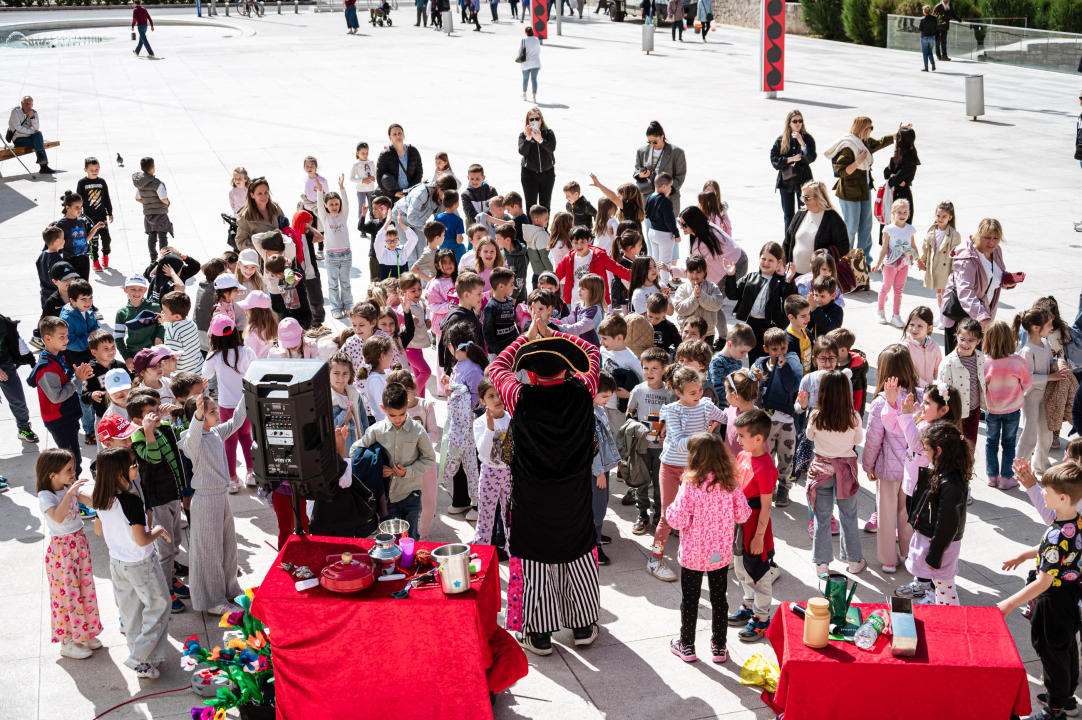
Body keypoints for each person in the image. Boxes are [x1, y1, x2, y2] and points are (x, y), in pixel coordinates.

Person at [489, 326, 602, 656]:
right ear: (567, 368)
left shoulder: (518, 396)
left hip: (532, 497)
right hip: (575, 493)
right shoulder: (585, 389)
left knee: (536, 557)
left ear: (532, 375)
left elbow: (497, 366)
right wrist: (557, 334)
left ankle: (539, 634)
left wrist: (525, 338)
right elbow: (592, 354)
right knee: (577, 550)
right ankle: (582, 626)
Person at [999, 462, 1082, 720]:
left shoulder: (1057, 534)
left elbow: (1044, 582)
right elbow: (1056, 552)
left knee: (1052, 654)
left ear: (1063, 497)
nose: (1042, 493)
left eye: (1046, 490)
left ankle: (1054, 711)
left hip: (1052, 603)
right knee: (1067, 648)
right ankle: (1067, 698)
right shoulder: (1075, 522)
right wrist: (1025, 554)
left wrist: (1009, 604)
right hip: (1071, 597)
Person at [666, 433, 751, 663]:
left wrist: (668, 511)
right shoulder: (730, 483)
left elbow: (677, 519)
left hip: (693, 554)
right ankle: (719, 647)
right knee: (719, 600)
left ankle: (687, 645)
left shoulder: (690, 484)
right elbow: (743, 514)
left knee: (690, 600)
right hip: (719, 555)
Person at [91, 447, 171, 678]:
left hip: (117, 563)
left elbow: (98, 530)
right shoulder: (132, 502)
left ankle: (143, 664)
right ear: (119, 473)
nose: (137, 467)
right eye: (133, 464)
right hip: (141, 563)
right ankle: (139, 657)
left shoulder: (101, 498)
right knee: (160, 606)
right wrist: (157, 529)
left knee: (131, 612)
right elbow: (142, 539)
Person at [177, 393, 245, 615]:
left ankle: (229, 589)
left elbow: (236, 421)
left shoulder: (215, 432)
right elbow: (193, 438)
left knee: (227, 546)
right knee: (210, 552)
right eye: (212, 411)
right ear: (199, 416)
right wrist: (197, 416)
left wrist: (245, 392)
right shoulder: (190, 440)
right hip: (205, 499)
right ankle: (213, 601)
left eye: (215, 410)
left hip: (221, 496)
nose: (217, 414)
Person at [36, 448, 103, 659]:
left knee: (84, 589)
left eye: (73, 468)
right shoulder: (45, 495)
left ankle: (85, 634)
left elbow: (93, 501)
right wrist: (70, 492)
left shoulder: (67, 488)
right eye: (69, 469)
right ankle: (67, 640)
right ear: (51, 474)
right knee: (66, 595)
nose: (73, 473)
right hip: (62, 551)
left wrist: (106, 489)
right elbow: (57, 516)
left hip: (79, 544)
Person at [863, 346, 922, 572]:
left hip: (887, 470)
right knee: (907, 514)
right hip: (912, 469)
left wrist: (868, 465)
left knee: (885, 515)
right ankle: (908, 554)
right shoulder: (916, 397)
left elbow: (873, 439)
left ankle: (888, 560)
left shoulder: (880, 403)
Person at [355, 382, 435, 542]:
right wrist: (376, 469)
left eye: (402, 414)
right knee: (389, 540)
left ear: (407, 406)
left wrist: (408, 471)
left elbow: (429, 458)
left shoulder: (418, 431)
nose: (398, 419)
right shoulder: (376, 431)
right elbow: (356, 452)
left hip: (411, 493)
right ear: (383, 409)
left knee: (411, 538)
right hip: (387, 498)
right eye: (392, 416)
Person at [805, 370, 865, 576]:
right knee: (849, 515)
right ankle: (855, 560)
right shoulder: (853, 417)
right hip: (846, 470)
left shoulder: (816, 415)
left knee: (822, 518)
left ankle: (822, 564)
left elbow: (809, 435)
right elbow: (858, 441)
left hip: (821, 469)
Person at [824, 117, 906, 260]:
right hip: (849, 193)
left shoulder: (864, 142)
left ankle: (863, 258)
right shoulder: (849, 146)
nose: (872, 130)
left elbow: (880, 143)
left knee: (866, 226)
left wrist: (897, 134)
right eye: (870, 128)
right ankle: (846, 258)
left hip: (864, 189)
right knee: (851, 227)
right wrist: (858, 161)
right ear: (863, 129)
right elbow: (842, 171)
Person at [942, 217, 1015, 354]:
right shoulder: (967, 259)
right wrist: (982, 316)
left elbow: (996, 274)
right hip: (962, 321)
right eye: (987, 237)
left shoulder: (996, 251)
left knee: (978, 362)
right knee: (958, 366)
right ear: (978, 235)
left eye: (996, 238)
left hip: (981, 319)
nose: (992, 242)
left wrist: (1007, 280)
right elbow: (965, 293)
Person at [781, 180, 848, 278]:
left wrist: (826, 251)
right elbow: (787, 241)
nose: (803, 200)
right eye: (802, 197)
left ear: (818, 198)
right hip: (794, 275)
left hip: (817, 279)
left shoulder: (832, 218)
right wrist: (782, 263)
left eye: (807, 198)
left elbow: (844, 246)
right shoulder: (800, 214)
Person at [872, 199, 919, 328]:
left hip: (905, 263)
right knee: (886, 287)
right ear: (893, 213)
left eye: (905, 212)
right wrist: (877, 263)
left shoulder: (910, 229)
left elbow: (913, 246)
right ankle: (880, 311)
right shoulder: (888, 229)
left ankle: (896, 315)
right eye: (899, 212)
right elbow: (884, 248)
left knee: (899, 289)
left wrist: (919, 260)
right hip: (890, 264)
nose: (903, 215)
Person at [771, 110, 817, 231]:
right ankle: (789, 245)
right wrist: (790, 159)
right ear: (789, 123)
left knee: (805, 213)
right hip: (786, 181)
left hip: (804, 181)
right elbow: (774, 160)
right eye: (795, 121)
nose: (798, 123)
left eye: (800, 121)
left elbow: (811, 158)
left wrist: (802, 143)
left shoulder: (807, 138)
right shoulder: (781, 140)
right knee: (788, 215)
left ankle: (804, 242)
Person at [633, 121, 688, 214]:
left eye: (655, 142)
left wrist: (667, 191)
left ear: (662, 136)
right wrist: (640, 175)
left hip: (669, 201)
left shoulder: (677, 152)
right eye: (649, 142)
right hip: (649, 200)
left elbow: (680, 176)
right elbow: (636, 171)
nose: (652, 144)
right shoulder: (641, 151)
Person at [919, 201, 961, 322]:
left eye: (944, 216)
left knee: (945, 293)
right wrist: (923, 261)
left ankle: (945, 316)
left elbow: (956, 254)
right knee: (938, 293)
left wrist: (953, 270)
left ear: (950, 217)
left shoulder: (954, 234)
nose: (940, 219)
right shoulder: (931, 231)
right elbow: (926, 248)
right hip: (934, 266)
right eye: (938, 216)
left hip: (946, 267)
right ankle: (941, 313)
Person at [77, 157, 114, 271]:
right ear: (85, 170)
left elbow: (106, 198)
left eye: (96, 169)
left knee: (106, 238)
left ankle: (105, 256)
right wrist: (78, 214)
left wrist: (110, 212)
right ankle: (95, 261)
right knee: (94, 240)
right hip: (89, 218)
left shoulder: (102, 182)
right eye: (92, 169)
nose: (94, 171)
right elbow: (79, 200)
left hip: (102, 216)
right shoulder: (82, 183)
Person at [519, 106, 556, 211]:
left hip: (547, 173)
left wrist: (540, 140)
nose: (534, 121)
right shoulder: (523, 135)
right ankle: (531, 227)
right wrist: (529, 138)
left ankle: (544, 227)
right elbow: (522, 151)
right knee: (531, 205)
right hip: (529, 174)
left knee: (545, 204)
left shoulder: (549, 133)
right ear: (528, 121)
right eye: (532, 119)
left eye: (537, 119)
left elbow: (551, 148)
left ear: (541, 120)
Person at [376, 124, 424, 202]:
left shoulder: (413, 151)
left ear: (403, 135)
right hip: (393, 196)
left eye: (399, 133)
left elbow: (419, 173)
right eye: (394, 134)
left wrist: (410, 190)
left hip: (410, 195)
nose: (398, 136)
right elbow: (379, 177)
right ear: (390, 137)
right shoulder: (385, 155)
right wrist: (394, 193)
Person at [8, 96, 56, 173]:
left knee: (38, 136)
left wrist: (32, 116)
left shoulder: (34, 113)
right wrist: (32, 132)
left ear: (32, 105)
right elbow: (18, 128)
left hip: (30, 137)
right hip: (18, 138)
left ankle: (41, 159)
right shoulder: (15, 112)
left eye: (29, 104)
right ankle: (44, 166)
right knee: (39, 143)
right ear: (22, 103)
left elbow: (36, 127)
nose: (27, 105)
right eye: (26, 103)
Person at [919, 5, 938, 71]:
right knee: (930, 51)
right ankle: (932, 63)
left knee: (925, 53)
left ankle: (926, 67)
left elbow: (920, 29)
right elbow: (936, 28)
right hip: (932, 37)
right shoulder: (934, 18)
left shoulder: (922, 19)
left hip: (924, 37)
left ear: (924, 11)